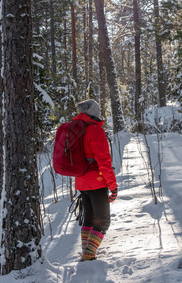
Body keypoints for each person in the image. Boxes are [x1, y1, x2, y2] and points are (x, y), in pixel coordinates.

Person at [74, 99, 118, 261]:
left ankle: (86, 251)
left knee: (90, 218)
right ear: (95, 114)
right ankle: (88, 255)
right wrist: (113, 187)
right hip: (96, 183)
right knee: (103, 221)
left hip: (81, 182)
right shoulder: (95, 131)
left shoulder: (77, 129)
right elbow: (104, 162)